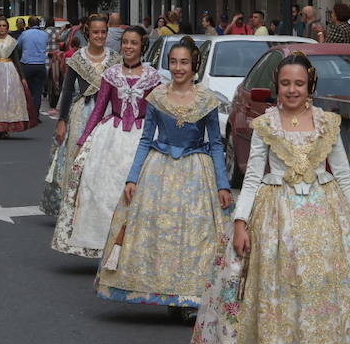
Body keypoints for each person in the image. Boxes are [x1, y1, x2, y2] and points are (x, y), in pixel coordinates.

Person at [191, 53, 350, 344]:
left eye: (298, 84)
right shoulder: (266, 124)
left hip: (323, 216)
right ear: (277, 86)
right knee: (282, 292)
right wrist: (241, 223)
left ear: (310, 85)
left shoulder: (327, 123)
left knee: (319, 292)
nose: (292, 90)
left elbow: (344, 175)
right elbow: (253, 176)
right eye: (285, 83)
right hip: (277, 217)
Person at [96, 37, 233, 316]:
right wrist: (132, 178)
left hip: (196, 171)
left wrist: (222, 183)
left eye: (184, 62)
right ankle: (164, 292)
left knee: (195, 234)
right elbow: (146, 140)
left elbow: (216, 144)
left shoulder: (207, 99)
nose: (179, 68)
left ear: (194, 65)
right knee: (161, 233)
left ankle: (190, 295)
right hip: (159, 171)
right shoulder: (157, 96)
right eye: (173, 62)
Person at [52, 26, 162, 258]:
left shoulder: (152, 77)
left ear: (143, 46)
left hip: (141, 137)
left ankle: (134, 247)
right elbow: (99, 108)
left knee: (139, 193)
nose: (128, 47)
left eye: (134, 43)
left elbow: (159, 112)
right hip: (111, 137)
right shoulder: (111, 74)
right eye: (125, 42)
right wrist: (83, 139)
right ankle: (106, 244)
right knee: (105, 191)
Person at [42, 16, 120, 217]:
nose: (100, 36)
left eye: (103, 32)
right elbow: (67, 91)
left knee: (104, 159)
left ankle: (100, 204)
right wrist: (62, 121)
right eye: (96, 32)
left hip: (108, 113)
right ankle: (74, 204)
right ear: (87, 33)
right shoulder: (78, 58)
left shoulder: (115, 58)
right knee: (77, 158)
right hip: (82, 112)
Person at [16, 16, 50, 117]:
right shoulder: (45, 35)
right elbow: (46, 45)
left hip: (27, 64)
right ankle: (35, 113)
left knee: (27, 89)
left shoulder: (24, 34)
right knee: (38, 90)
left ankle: (28, 111)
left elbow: (19, 46)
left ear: (29, 24)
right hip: (40, 64)